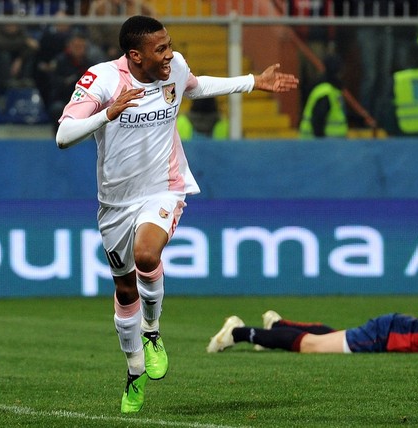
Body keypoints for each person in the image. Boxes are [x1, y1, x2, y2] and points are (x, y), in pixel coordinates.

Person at [55, 15, 298, 414]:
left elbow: (197, 86)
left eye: (169, 45)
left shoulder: (175, 68)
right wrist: (108, 113)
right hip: (115, 203)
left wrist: (253, 81)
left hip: (164, 187)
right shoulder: (102, 80)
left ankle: (152, 331)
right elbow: (63, 136)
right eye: (160, 49)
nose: (169, 54)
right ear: (135, 55)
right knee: (125, 290)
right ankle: (134, 371)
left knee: (147, 254)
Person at [207, 293, 418, 354]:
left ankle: (277, 326)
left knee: (334, 336)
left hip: (392, 329)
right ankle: (238, 332)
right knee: (312, 346)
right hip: (386, 336)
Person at [299, 54, 348, 139]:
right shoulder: (326, 92)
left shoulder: (331, 90)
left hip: (327, 143)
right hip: (318, 144)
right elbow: (318, 120)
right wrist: (321, 144)